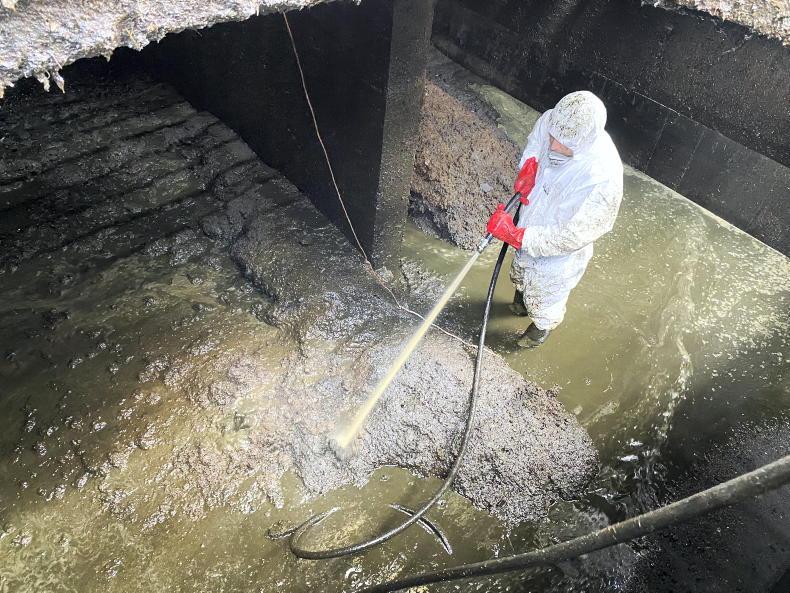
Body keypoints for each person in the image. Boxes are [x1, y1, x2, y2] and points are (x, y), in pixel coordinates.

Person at [486, 91, 623, 348]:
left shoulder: (602, 178)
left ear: (582, 143)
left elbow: (572, 236)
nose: (553, 147)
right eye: (552, 138)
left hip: (559, 254)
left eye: (563, 145)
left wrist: (518, 236)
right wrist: (529, 165)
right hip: (535, 214)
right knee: (520, 273)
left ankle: (538, 332)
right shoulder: (555, 122)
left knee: (545, 297)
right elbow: (537, 142)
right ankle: (519, 304)